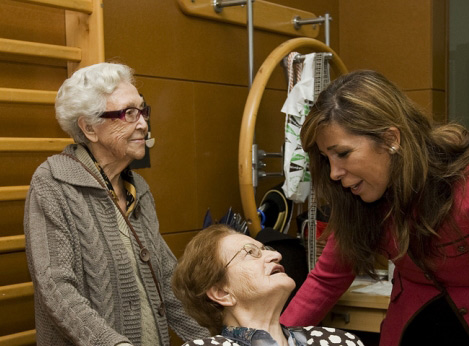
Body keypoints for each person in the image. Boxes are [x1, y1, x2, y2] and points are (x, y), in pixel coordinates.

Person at [280, 70, 469, 345]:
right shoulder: (358, 197)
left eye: (342, 154)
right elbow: (326, 280)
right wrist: (269, 338)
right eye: (326, 159)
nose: (333, 173)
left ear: (390, 139)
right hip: (422, 320)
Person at [24, 62, 208, 345]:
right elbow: (55, 287)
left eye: (142, 111)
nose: (143, 124)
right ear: (89, 128)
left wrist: (209, 337)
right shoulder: (53, 183)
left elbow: (167, 281)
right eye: (128, 113)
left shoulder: (139, 189)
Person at [171, 224, 364, 346]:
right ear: (222, 292)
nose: (276, 255)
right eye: (250, 252)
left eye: (267, 249)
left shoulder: (339, 342)